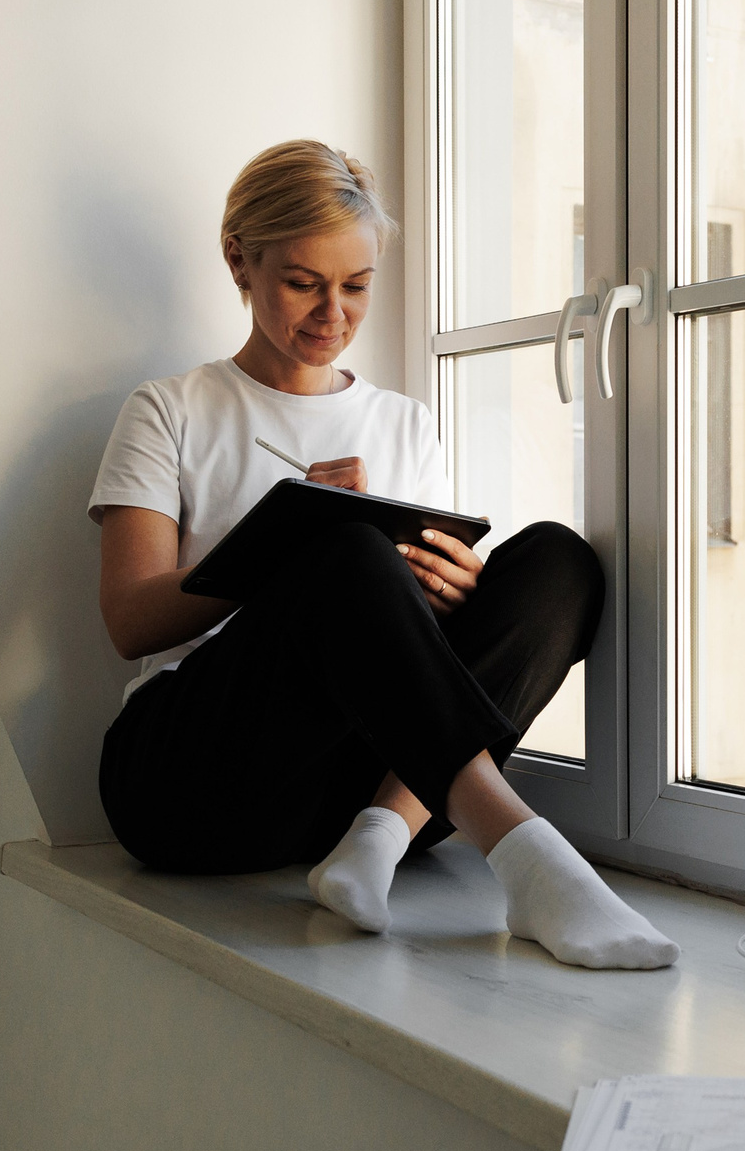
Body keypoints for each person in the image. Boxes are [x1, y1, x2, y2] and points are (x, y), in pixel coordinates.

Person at [87, 140, 676, 969]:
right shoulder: (171, 410)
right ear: (239, 263)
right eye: (302, 283)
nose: (333, 313)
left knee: (557, 559)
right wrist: (289, 537)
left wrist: (448, 590)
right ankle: (525, 855)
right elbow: (129, 618)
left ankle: (377, 837)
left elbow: (403, 634)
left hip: (358, 783)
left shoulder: (404, 423)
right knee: (344, 547)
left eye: (356, 287)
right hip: (193, 783)